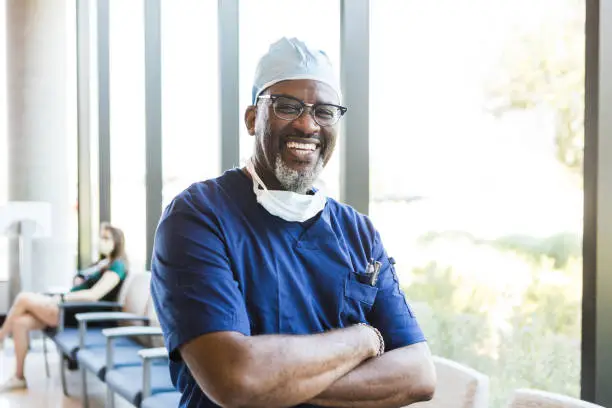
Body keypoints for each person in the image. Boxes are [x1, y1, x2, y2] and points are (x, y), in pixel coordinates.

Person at [151, 37, 436, 408]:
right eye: (287, 107)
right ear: (253, 120)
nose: (307, 125)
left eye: (324, 111)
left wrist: (278, 383)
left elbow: (418, 374)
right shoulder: (198, 218)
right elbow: (236, 379)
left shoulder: (358, 233)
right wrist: (365, 339)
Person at [0, 222, 129, 392]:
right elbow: (84, 283)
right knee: (20, 323)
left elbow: (94, 295)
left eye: (106, 238)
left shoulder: (118, 266)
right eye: (100, 237)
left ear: (117, 241)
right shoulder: (103, 263)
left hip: (78, 315)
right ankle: (19, 377)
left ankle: (1, 337)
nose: (101, 241)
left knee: (23, 298)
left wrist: (61, 297)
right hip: (69, 308)